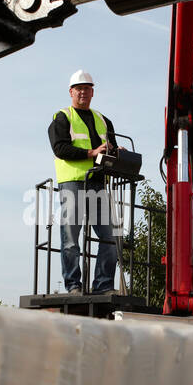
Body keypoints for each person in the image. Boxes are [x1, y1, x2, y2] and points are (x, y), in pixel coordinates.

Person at [48, 71, 120, 295]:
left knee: (112, 239)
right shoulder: (62, 117)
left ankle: (103, 286)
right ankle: (73, 286)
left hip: (98, 184)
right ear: (71, 92)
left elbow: (111, 148)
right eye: (78, 88)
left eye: (87, 88)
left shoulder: (103, 120)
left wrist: (118, 153)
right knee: (71, 240)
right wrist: (91, 152)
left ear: (92, 92)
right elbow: (60, 148)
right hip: (73, 183)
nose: (83, 92)